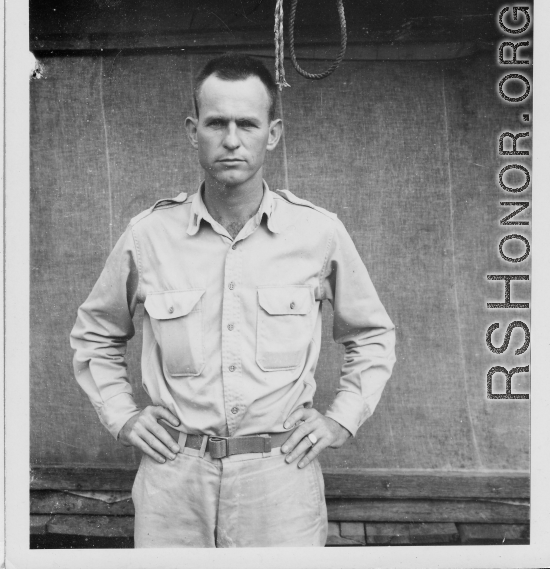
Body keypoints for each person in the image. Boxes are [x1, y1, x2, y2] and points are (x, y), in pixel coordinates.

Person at [70, 52, 396, 548]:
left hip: (281, 480)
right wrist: (122, 413)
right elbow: (96, 334)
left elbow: (371, 335)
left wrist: (341, 419)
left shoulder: (318, 232)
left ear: (273, 133)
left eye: (247, 123)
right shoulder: (149, 235)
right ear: (191, 130)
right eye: (215, 122)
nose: (230, 139)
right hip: (173, 481)